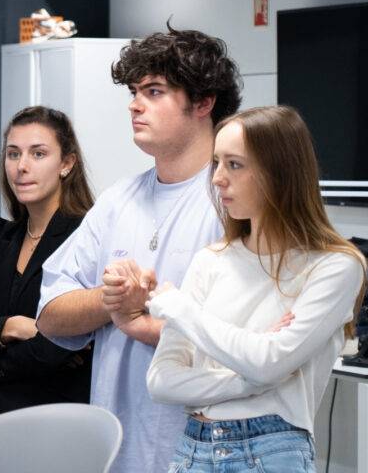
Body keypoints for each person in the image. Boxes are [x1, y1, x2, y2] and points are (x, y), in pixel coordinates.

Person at [36, 26, 242, 472]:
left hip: (206, 452)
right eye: (134, 91)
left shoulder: (234, 203)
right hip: (119, 452)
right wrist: (112, 301)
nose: (134, 104)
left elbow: (247, 342)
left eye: (153, 91)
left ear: (203, 103)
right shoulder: (117, 200)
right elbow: (50, 314)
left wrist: (138, 312)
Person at [146, 106, 367, 473]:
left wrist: (180, 309)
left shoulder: (335, 266)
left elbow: (269, 362)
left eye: (234, 164)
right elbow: (161, 382)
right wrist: (246, 381)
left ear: (279, 172)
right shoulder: (211, 259)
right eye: (216, 162)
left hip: (269, 450)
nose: (217, 179)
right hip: (192, 448)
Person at [0, 106, 95, 421]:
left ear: (66, 164)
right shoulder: (0, 239)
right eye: (13, 154)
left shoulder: (86, 236)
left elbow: (57, 352)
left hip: (57, 423)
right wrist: (10, 327)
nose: (21, 167)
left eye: (38, 154)